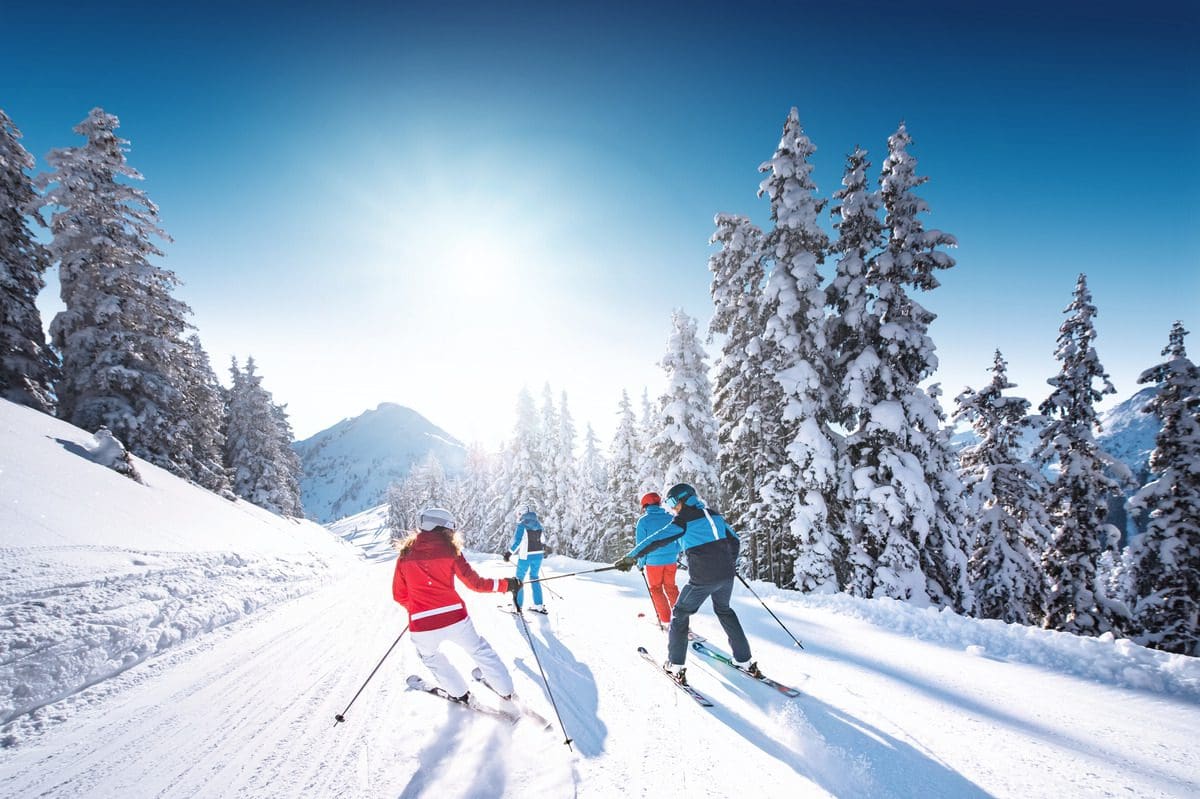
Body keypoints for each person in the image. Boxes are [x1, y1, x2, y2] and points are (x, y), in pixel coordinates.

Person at [614, 483, 760, 685]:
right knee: (724, 610)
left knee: (680, 614)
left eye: (673, 502)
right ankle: (745, 660)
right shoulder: (714, 514)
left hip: (703, 578)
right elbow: (734, 540)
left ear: (682, 500)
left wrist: (631, 557)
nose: (673, 508)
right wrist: (728, 561)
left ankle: (675, 666)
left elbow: (656, 539)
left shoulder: (683, 521)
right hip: (726, 575)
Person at [392, 507, 520, 703]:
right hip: (455, 618)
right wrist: (506, 584)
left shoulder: (405, 555)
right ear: (443, 528)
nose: (452, 533)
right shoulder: (450, 551)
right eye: (451, 529)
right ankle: (507, 692)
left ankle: (460, 694)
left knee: (431, 657)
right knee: (479, 650)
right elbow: (476, 584)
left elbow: (399, 595)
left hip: (422, 625)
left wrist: (418, 608)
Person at [635, 492, 681, 626]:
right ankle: (681, 619)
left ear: (645, 506)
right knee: (671, 588)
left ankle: (665, 619)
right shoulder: (671, 517)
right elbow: (679, 538)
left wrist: (640, 563)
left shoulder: (643, 521)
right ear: (659, 503)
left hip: (653, 563)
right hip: (671, 561)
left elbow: (641, 545)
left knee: (656, 589)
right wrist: (674, 553)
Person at [505, 507, 546, 612]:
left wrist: (509, 553)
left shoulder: (522, 525)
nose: (518, 517)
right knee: (535, 578)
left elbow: (517, 542)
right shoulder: (538, 524)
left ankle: (518, 606)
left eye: (518, 514)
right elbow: (543, 540)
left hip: (526, 556)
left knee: (519, 580)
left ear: (521, 514)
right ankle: (538, 605)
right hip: (538, 556)